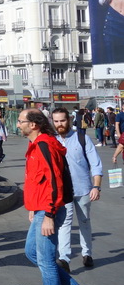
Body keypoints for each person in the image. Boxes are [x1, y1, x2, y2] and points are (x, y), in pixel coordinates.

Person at [18, 109, 94, 285]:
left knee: (47, 263)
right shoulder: (37, 144)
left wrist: (49, 216)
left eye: (20, 121)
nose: (18, 124)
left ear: (33, 124)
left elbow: (54, 182)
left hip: (48, 210)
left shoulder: (44, 145)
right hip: (41, 208)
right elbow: (39, 182)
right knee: (32, 253)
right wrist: (34, 208)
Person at [52, 107, 103, 271]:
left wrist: (96, 186)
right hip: (62, 191)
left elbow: (95, 164)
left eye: (62, 120)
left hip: (83, 189)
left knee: (84, 221)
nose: (60, 124)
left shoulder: (82, 138)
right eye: (56, 121)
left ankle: (87, 254)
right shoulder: (51, 141)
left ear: (69, 120)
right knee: (64, 223)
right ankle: (64, 258)